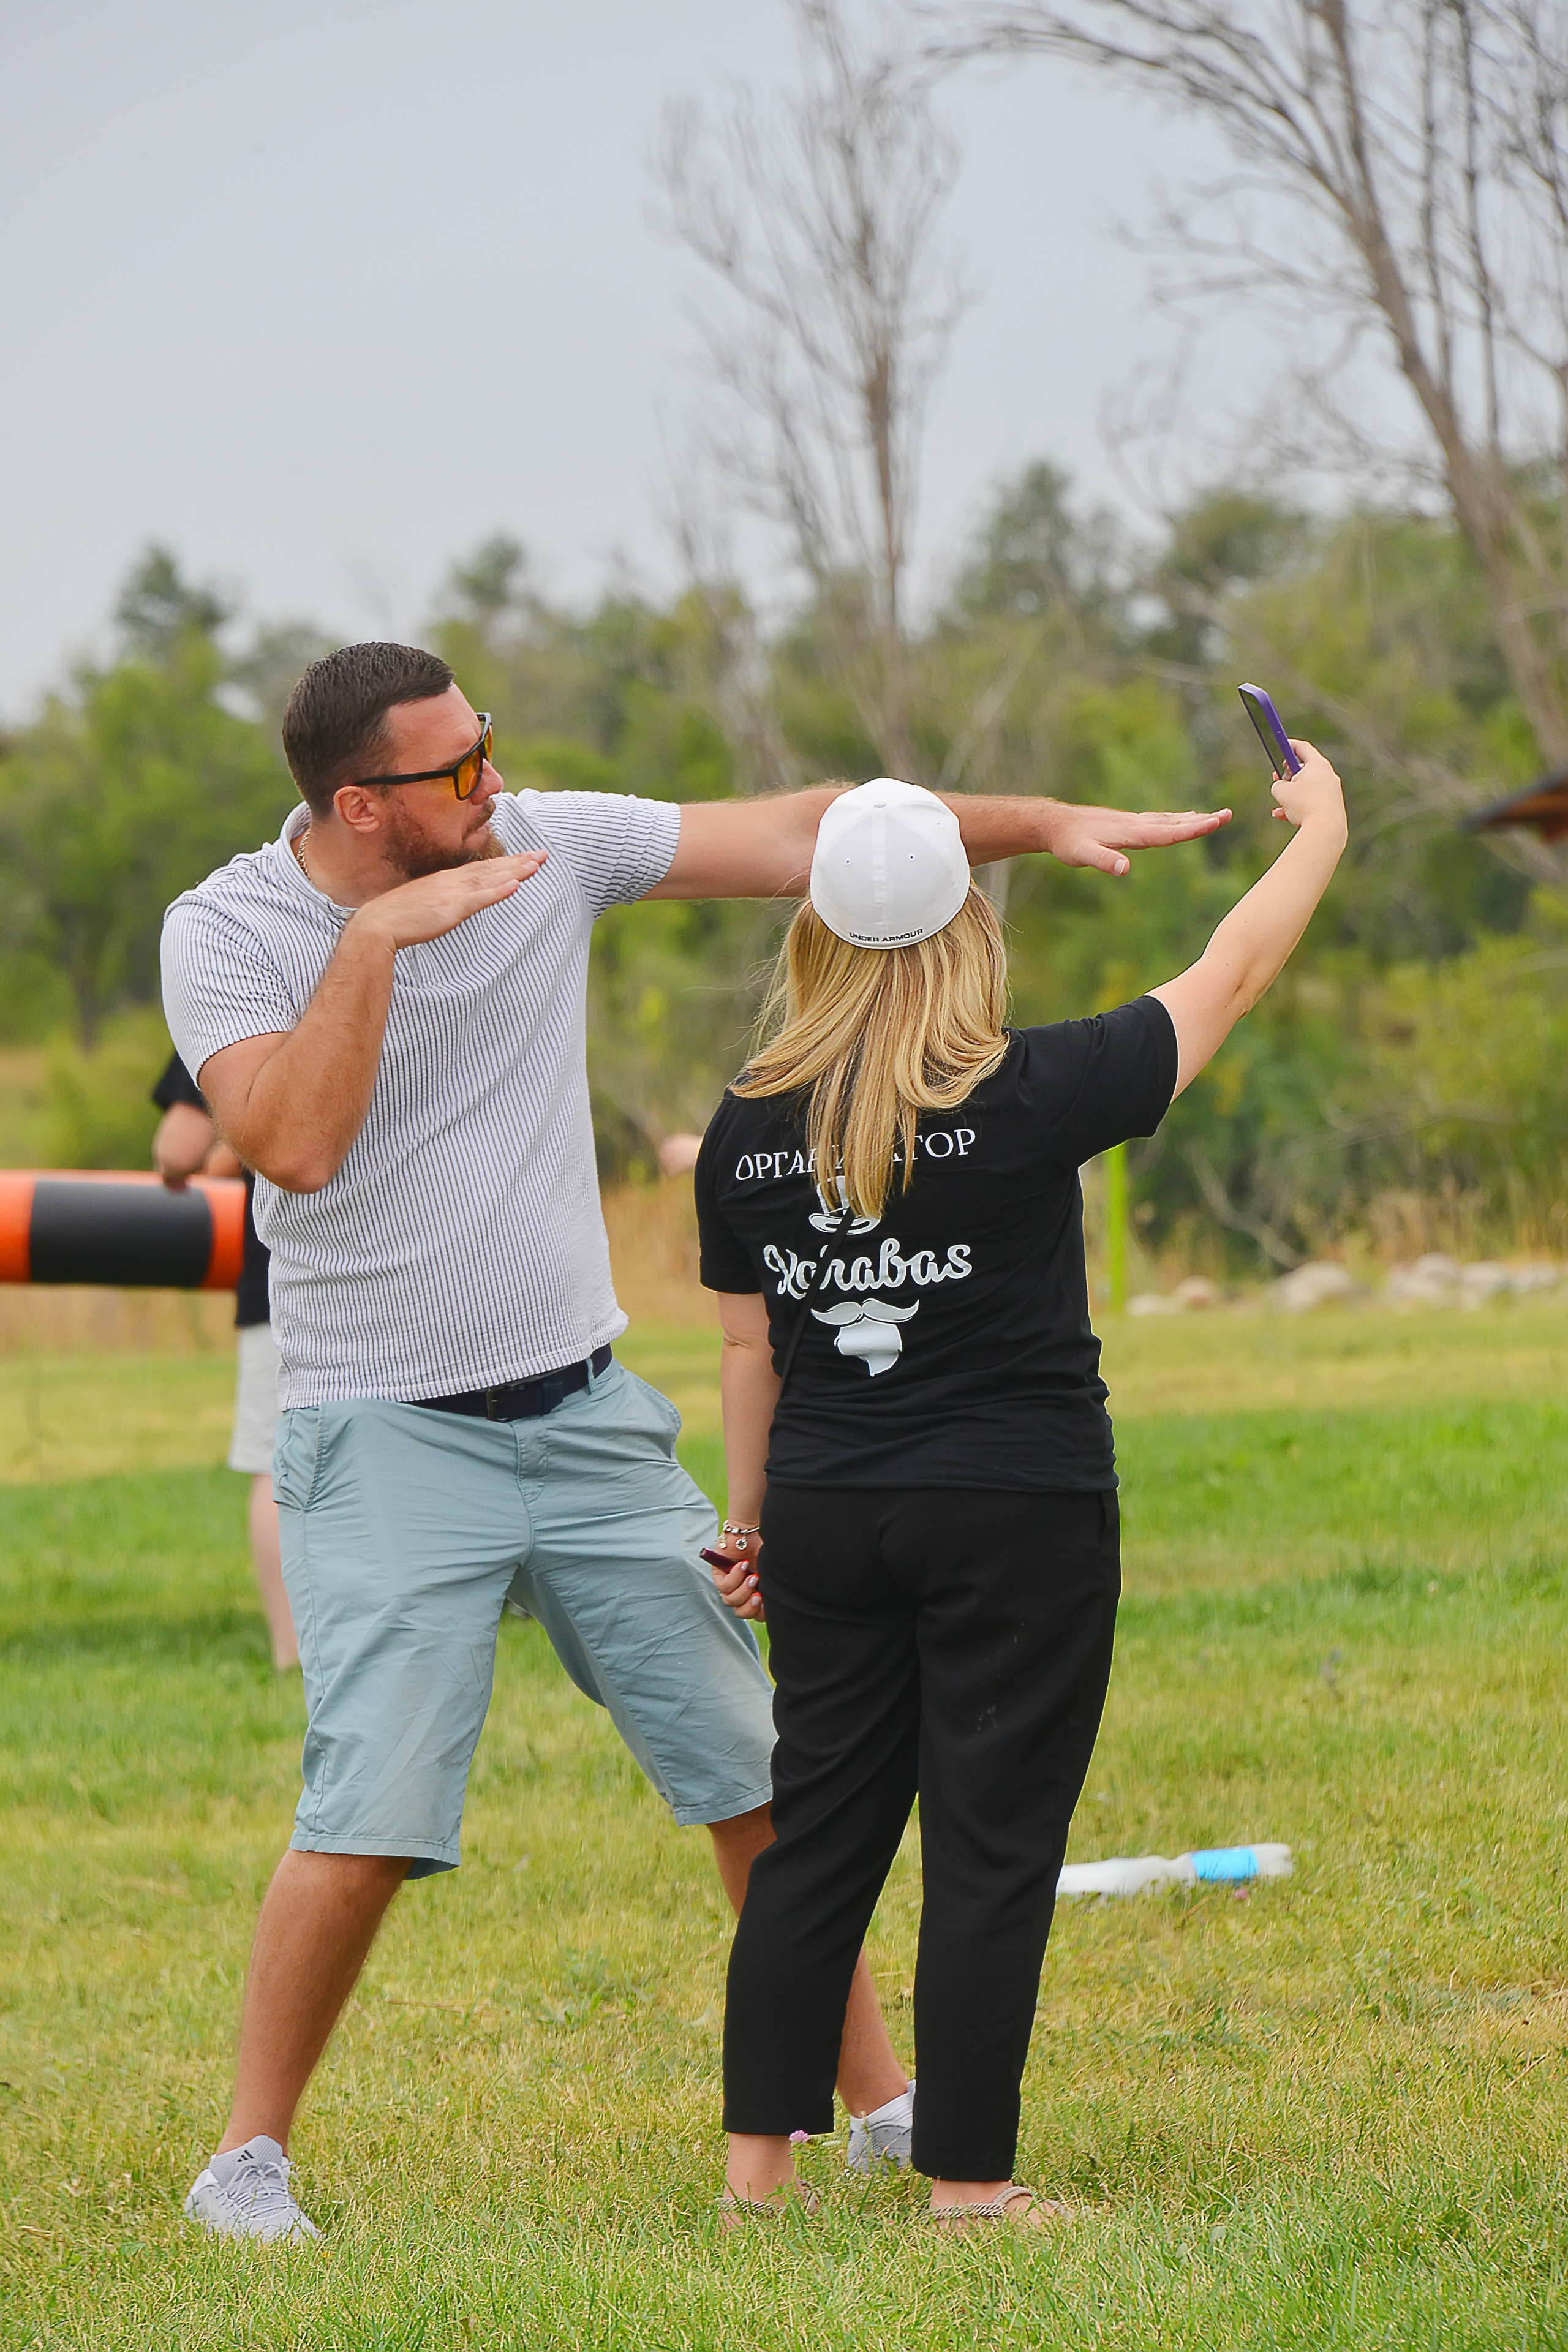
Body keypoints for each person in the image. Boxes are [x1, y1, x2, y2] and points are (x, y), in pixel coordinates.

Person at [160, 638, 1229, 2242]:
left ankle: (881, 2114)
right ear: (360, 808)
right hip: (384, 1433)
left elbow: (812, 831)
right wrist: (380, 944)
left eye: (490, 745)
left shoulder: (552, 842)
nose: (494, 779)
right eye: (455, 770)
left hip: (585, 1416)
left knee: (766, 1781)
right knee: (369, 1817)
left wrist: (1041, 818)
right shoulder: (229, 928)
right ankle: (246, 2162)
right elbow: (291, 1147)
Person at [695, 748, 1346, 2228]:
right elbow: (1228, 971)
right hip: (1013, 1509)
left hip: (822, 1512)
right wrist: (1321, 831)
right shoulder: (1035, 1088)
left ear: (808, 928)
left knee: (820, 1834)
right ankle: (969, 2186)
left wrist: (746, 1520)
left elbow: (747, 1345)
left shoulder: (742, 1129)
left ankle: (756, 2175)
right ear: (965, 927)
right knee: (988, 1845)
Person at [151, 1053, 298, 1670]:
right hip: (402, 1268)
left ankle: (293, 1653)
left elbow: (180, 1149)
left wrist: (180, 1162)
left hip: (285, 1273)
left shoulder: (235, 971)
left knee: (277, 1468)